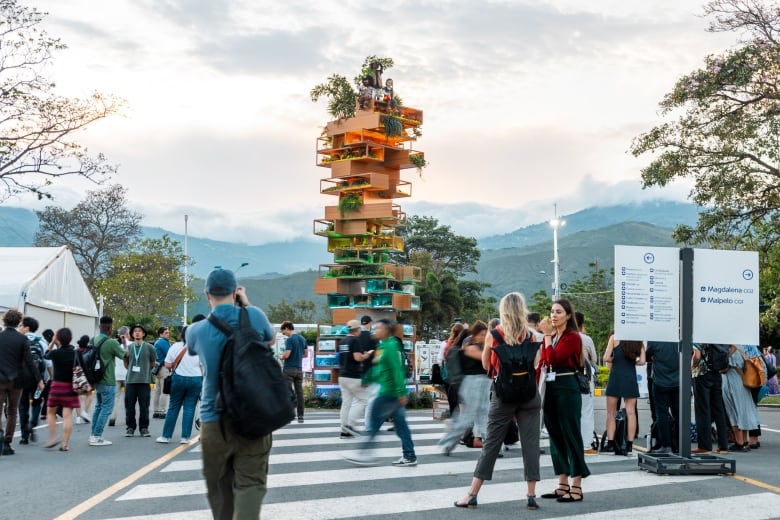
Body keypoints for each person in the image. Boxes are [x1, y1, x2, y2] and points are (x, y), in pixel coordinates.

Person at [187, 268, 276, 519]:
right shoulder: (255, 316)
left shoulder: (196, 330)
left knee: (219, 490)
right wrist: (246, 305)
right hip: (254, 416)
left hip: (214, 419)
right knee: (250, 484)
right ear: (235, 291)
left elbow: (193, 350)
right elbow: (269, 340)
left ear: (207, 294)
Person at [453, 293, 542, 511]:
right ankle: (531, 495)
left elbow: (486, 365)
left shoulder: (495, 335)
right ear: (523, 310)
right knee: (530, 444)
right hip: (530, 395)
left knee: (491, 444)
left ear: (503, 311)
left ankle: (472, 494)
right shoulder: (533, 336)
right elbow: (537, 364)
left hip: (504, 396)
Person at [344, 318, 417, 467]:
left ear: (386, 330)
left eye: (378, 328)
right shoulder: (383, 346)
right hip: (389, 391)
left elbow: (397, 370)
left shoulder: (391, 346)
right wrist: (368, 377)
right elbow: (380, 369)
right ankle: (409, 455)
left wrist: (400, 392)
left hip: (388, 392)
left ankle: (364, 454)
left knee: (374, 422)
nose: (375, 331)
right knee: (401, 426)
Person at [538, 299, 589, 503]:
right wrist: (548, 339)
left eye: (559, 312)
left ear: (568, 315)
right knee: (555, 436)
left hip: (567, 387)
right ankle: (562, 483)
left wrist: (547, 337)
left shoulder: (573, 337)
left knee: (571, 434)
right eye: (552, 311)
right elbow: (544, 360)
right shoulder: (554, 337)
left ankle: (576, 486)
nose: (554, 315)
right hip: (550, 387)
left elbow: (553, 359)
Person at [438, 321, 490, 453]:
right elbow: (486, 360)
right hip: (472, 383)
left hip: (483, 382)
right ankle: (447, 443)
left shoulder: (478, 347)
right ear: (475, 334)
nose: (484, 337)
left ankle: (491, 445)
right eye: (482, 334)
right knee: (467, 417)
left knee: (484, 414)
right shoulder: (470, 347)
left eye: (486, 334)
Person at [0, 309, 43, 454]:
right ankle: (7, 443)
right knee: (12, 411)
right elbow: (30, 362)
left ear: (5, 321)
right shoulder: (22, 339)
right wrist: (39, 380)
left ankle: (0, 435)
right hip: (16, 381)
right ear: (19, 322)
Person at [157, 325, 202, 444]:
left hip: (178, 379)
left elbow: (167, 364)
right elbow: (203, 366)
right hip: (196, 379)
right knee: (190, 407)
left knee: (173, 407)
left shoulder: (175, 346)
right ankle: (185, 437)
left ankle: (166, 436)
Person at [603, 336, 646, 453]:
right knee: (631, 412)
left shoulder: (614, 338)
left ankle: (611, 443)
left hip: (616, 377)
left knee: (611, 413)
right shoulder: (638, 340)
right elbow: (642, 361)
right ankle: (629, 444)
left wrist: (616, 359)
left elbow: (606, 357)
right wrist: (632, 361)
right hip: (630, 377)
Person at [88, 316, 125, 447]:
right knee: (106, 408)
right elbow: (125, 355)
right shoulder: (111, 343)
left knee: (99, 406)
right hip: (108, 379)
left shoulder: (92, 340)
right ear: (110, 328)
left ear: (99, 327)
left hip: (96, 379)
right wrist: (124, 343)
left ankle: (93, 434)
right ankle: (97, 436)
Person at [43, 328, 80, 451]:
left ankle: (53, 437)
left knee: (50, 412)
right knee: (67, 416)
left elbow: (45, 355)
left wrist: (53, 342)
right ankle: (64, 444)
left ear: (58, 338)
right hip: (70, 387)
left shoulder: (55, 353)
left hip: (56, 386)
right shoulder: (75, 353)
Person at [721, 344, 761, 452]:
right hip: (743, 381)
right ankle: (745, 442)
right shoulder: (741, 347)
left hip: (731, 382)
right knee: (744, 411)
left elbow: (723, 369)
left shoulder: (729, 350)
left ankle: (739, 442)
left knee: (734, 411)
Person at [691, 344, 730, 454]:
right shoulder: (716, 335)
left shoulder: (699, 334)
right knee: (719, 410)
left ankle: (705, 446)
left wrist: (691, 367)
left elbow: (697, 356)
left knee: (702, 410)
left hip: (701, 373)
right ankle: (723, 446)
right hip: (716, 373)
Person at [338, 320, 373, 438]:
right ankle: (350, 425)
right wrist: (366, 355)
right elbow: (357, 358)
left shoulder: (343, 341)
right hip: (353, 376)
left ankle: (343, 430)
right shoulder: (355, 340)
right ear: (357, 330)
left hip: (342, 376)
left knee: (346, 403)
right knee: (364, 400)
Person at [17, 316, 48, 445]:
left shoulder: (19, 340)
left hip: (21, 379)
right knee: (36, 402)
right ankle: (33, 423)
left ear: (27, 327)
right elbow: (46, 362)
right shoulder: (41, 342)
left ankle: (24, 436)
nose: (20, 328)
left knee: (23, 405)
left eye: (21, 326)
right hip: (37, 379)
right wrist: (44, 379)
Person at [645, 341, 680, 454]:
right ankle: (679, 445)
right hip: (678, 381)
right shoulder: (679, 338)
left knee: (662, 414)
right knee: (679, 414)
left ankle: (666, 445)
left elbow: (647, 357)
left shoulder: (655, 339)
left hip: (660, 380)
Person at [124, 324, 156, 437]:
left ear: (143, 334)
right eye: (135, 331)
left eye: (139, 331)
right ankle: (130, 427)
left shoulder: (149, 347)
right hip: (131, 381)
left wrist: (144, 370)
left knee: (144, 406)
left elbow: (152, 363)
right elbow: (126, 364)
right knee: (129, 406)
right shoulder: (129, 348)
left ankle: (144, 428)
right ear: (132, 334)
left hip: (144, 381)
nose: (137, 333)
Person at [576, 312, 598, 455]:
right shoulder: (585, 339)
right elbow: (594, 360)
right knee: (586, 412)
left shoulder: (558, 337)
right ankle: (586, 446)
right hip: (583, 380)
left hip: (564, 379)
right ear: (582, 324)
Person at [280, 321, 307, 423]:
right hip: (299, 369)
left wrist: (281, 357)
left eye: (284, 332)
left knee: (287, 392)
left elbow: (287, 354)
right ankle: (301, 416)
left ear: (287, 328)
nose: (284, 334)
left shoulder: (290, 340)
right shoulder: (302, 339)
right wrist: (298, 357)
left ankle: (289, 414)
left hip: (289, 369)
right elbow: (306, 354)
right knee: (299, 392)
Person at [441, 322, 466, 416]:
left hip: (449, 376)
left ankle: (454, 420)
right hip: (462, 377)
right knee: (462, 402)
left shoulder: (446, 344)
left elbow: (440, 360)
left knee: (452, 403)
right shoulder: (463, 345)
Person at [109, 326, 130, 427]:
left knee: (115, 397)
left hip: (115, 374)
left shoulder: (114, 344)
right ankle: (128, 418)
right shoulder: (130, 345)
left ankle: (112, 418)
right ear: (127, 334)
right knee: (128, 398)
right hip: (127, 374)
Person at [152, 326, 172, 419]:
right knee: (164, 390)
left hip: (157, 368)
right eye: (166, 333)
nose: (168, 334)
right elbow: (170, 354)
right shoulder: (163, 343)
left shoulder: (157, 342)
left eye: (168, 332)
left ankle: (156, 410)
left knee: (157, 391)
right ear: (161, 334)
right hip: (164, 367)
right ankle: (162, 410)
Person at [74, 334, 92, 425]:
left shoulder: (76, 351)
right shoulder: (89, 351)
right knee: (89, 394)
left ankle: (77, 418)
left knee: (78, 396)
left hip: (77, 375)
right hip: (86, 375)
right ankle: (85, 412)